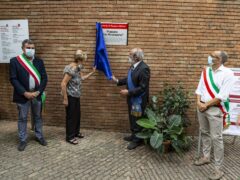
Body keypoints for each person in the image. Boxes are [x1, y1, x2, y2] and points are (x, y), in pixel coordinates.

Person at [194, 51, 235, 180]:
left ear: (220, 60)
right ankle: (206, 157)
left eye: (213, 57)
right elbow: (199, 88)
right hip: (201, 107)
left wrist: (205, 105)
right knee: (204, 132)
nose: (210, 58)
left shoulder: (228, 74)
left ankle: (218, 169)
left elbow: (222, 96)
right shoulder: (206, 71)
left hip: (214, 109)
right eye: (210, 56)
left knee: (216, 138)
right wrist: (198, 103)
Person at [9, 39, 48, 151]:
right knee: (22, 118)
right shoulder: (15, 61)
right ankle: (22, 139)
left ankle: (39, 136)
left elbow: (44, 78)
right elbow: (13, 79)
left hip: (36, 94)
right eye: (28, 48)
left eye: (32, 48)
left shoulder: (39, 62)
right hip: (22, 95)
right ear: (23, 49)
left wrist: (39, 91)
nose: (31, 50)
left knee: (38, 117)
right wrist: (24, 92)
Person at [112, 48, 150, 150]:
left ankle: (137, 140)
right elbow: (129, 79)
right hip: (132, 99)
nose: (128, 57)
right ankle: (134, 135)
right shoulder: (133, 66)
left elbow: (143, 87)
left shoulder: (144, 68)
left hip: (139, 100)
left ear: (136, 57)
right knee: (132, 118)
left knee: (137, 119)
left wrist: (128, 92)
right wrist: (118, 81)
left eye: (130, 55)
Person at [61, 50, 96, 145]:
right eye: (84, 60)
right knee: (71, 117)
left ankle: (75, 132)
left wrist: (92, 72)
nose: (84, 62)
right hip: (70, 96)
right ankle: (69, 137)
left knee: (77, 115)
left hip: (76, 95)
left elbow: (82, 78)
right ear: (79, 60)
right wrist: (65, 99)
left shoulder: (78, 68)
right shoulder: (72, 68)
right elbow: (63, 83)